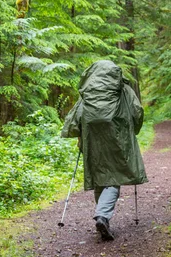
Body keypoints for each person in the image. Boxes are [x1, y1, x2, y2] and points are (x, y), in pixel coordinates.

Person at [61, 60, 148, 241]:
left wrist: (78, 135)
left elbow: (75, 118)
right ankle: (102, 216)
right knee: (113, 177)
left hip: (92, 142)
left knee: (101, 175)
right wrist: (133, 130)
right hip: (118, 140)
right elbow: (137, 111)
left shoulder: (87, 94)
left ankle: (103, 217)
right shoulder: (123, 90)